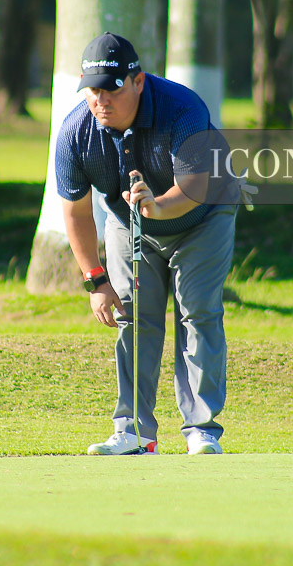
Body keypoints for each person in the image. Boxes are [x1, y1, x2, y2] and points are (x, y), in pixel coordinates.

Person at [55, 31, 238, 455]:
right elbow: (76, 212)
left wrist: (157, 207)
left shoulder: (183, 108)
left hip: (204, 216)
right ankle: (135, 433)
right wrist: (94, 280)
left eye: (113, 89)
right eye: (93, 91)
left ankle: (202, 430)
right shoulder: (75, 133)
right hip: (129, 222)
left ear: (138, 81)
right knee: (133, 317)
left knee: (197, 312)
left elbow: (194, 186)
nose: (101, 100)